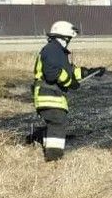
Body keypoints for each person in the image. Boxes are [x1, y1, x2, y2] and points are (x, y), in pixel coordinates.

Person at [29, 21, 105, 162]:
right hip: (49, 95)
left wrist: (91, 71)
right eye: (68, 39)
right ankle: (53, 159)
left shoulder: (57, 51)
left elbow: (70, 72)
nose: (69, 42)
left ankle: (45, 149)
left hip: (52, 95)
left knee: (55, 123)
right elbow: (52, 73)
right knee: (57, 123)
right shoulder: (52, 49)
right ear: (63, 37)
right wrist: (71, 83)